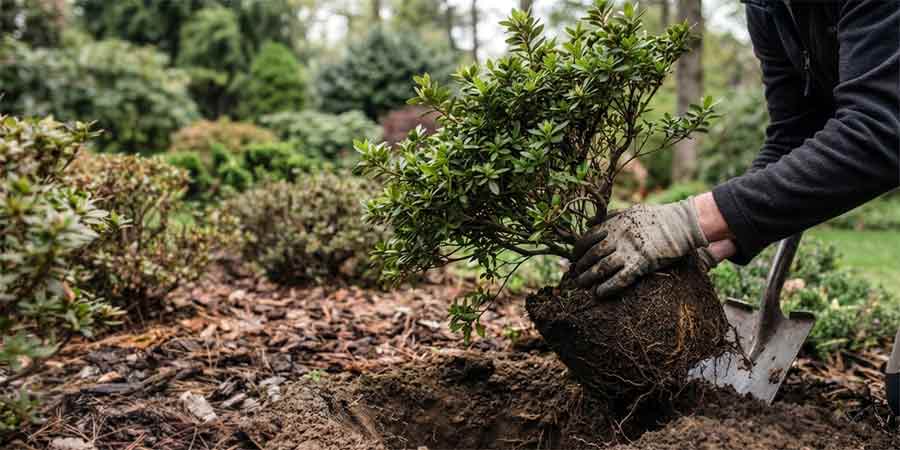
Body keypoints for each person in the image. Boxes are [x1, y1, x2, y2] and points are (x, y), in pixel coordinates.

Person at [574, 0, 899, 299]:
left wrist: (688, 221)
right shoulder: (767, 7)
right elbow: (794, 132)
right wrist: (710, 242)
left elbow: (881, 132)